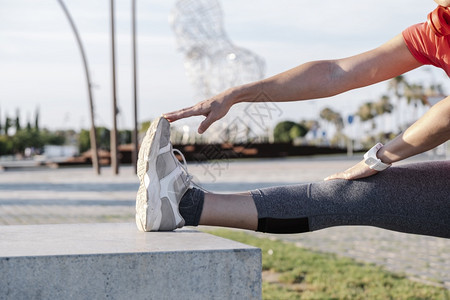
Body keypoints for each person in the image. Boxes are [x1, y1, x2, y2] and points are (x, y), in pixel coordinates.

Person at [136, 3, 450, 239]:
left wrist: (378, 158)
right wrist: (236, 94)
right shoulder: (438, 29)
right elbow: (335, 73)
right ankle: (183, 205)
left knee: (359, 187)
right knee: (348, 193)